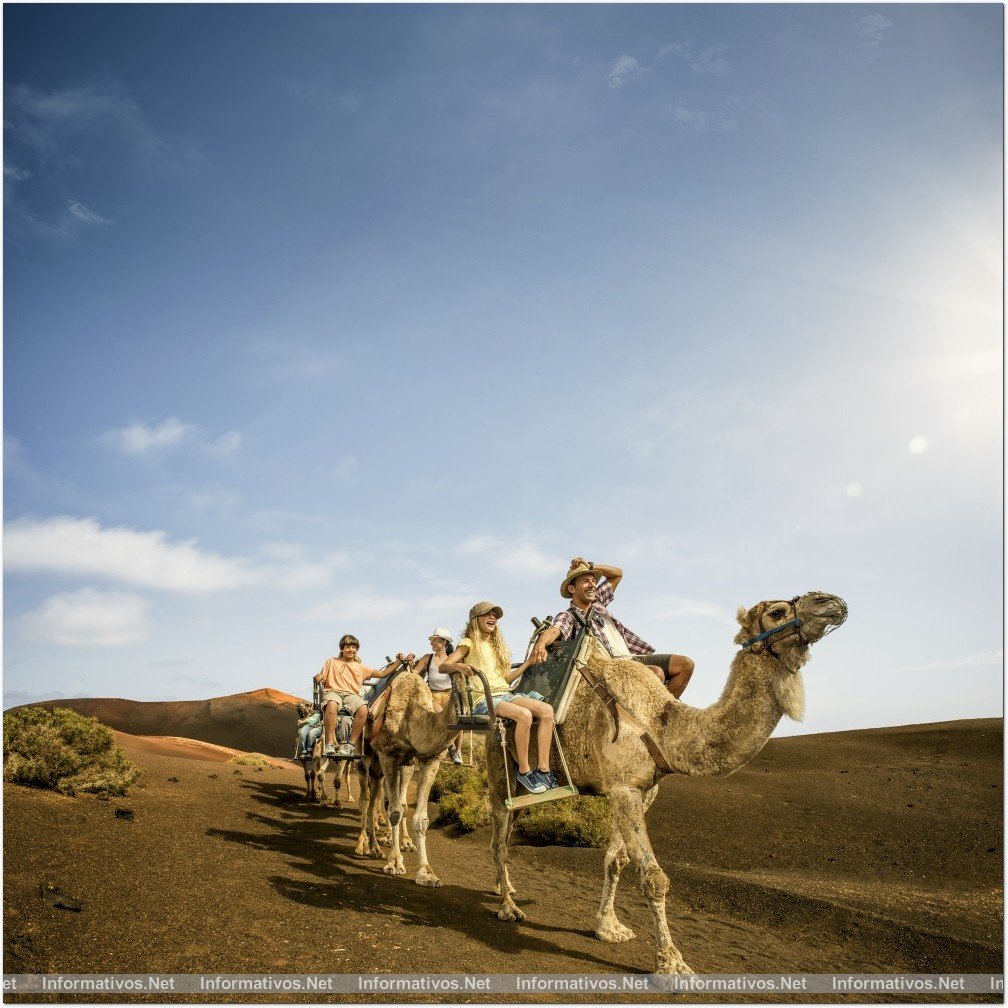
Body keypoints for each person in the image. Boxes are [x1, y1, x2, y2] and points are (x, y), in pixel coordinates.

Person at [530, 558, 694, 698]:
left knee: (685, 665)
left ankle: (664, 716)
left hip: (631, 658)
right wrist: (541, 643)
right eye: (585, 581)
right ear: (572, 589)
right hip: (611, 667)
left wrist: (590, 566)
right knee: (655, 673)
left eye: (594, 581)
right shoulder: (570, 616)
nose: (592, 585)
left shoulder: (598, 602)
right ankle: (652, 719)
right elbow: (554, 630)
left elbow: (617, 574)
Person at [441, 601, 558, 794]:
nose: (492, 617)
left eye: (495, 615)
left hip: (504, 694)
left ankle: (543, 769)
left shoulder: (496, 647)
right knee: (524, 715)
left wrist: (529, 662)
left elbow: (506, 678)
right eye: (487, 614)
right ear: (475, 620)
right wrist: (460, 666)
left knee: (546, 711)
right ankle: (524, 770)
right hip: (483, 700)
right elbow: (443, 666)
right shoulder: (468, 643)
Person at [315, 634, 404, 757]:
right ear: (341, 649)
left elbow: (383, 674)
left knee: (363, 708)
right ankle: (329, 743)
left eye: (354, 647)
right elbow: (322, 676)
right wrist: (319, 676)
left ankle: (350, 744)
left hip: (351, 695)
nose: (351, 650)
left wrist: (398, 662)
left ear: (357, 649)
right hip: (333, 691)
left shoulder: (360, 667)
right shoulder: (331, 661)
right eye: (348, 647)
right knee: (332, 704)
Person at [413, 628, 464, 764]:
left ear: (444, 641)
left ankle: (458, 752)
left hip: (449, 694)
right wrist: (408, 665)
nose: (432, 643)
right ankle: (449, 745)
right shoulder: (427, 658)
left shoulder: (452, 659)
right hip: (432, 695)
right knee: (440, 714)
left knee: (457, 717)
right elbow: (414, 674)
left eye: (434, 640)